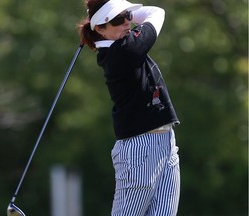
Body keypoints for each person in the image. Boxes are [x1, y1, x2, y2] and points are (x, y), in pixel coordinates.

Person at [77, 0, 181, 215]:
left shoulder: (122, 45)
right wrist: (99, 18)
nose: (126, 23)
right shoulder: (123, 52)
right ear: (100, 29)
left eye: (127, 16)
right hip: (139, 150)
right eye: (117, 19)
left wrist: (113, 14)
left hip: (166, 144)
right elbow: (156, 12)